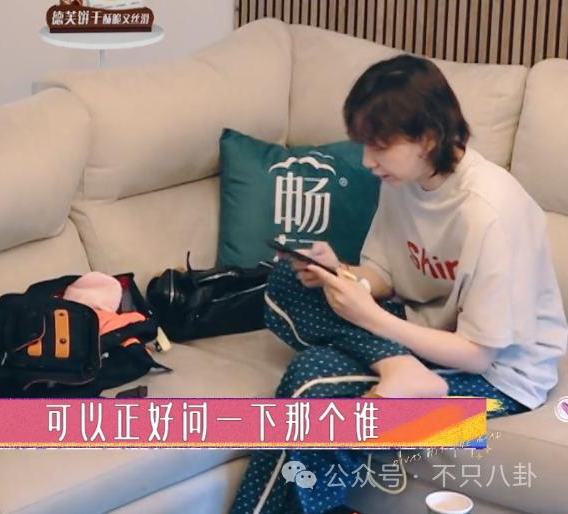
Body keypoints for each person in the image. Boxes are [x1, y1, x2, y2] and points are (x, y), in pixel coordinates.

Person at [230, 54, 567, 514]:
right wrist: (341, 275)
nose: (367, 161)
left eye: (379, 146)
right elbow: (384, 275)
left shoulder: (490, 213)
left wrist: (371, 318)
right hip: (421, 340)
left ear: (428, 138)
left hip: (499, 384)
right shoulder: (402, 179)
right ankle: (400, 369)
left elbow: (478, 354)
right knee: (290, 280)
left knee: (312, 380)